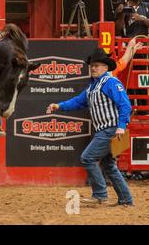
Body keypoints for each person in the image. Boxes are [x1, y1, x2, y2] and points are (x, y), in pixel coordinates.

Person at [46, 48, 133, 207]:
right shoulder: (93, 87)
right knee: (109, 166)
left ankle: (100, 195)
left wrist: (121, 126)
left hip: (112, 130)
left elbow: (125, 105)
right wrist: (59, 106)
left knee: (88, 158)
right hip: (113, 130)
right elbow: (78, 101)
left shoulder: (110, 82)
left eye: (97, 65)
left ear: (106, 68)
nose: (93, 68)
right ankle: (126, 200)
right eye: (92, 65)